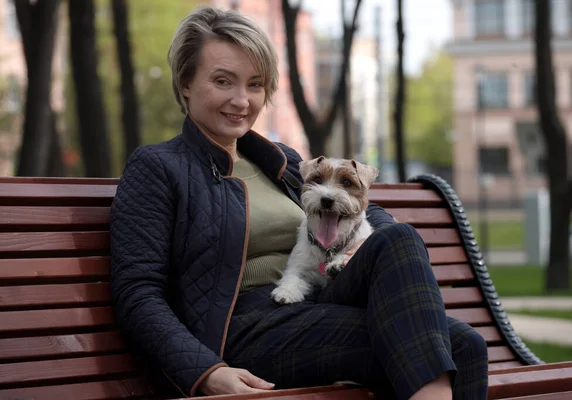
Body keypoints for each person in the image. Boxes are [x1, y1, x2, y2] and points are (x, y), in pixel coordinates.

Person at [110, 6, 489, 400]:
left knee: (404, 247)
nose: (242, 100)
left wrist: (361, 238)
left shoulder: (283, 162)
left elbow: (363, 209)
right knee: (459, 347)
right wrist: (206, 370)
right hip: (242, 330)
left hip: (316, 301)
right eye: (223, 81)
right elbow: (138, 292)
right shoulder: (159, 167)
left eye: (255, 85)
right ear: (185, 82)